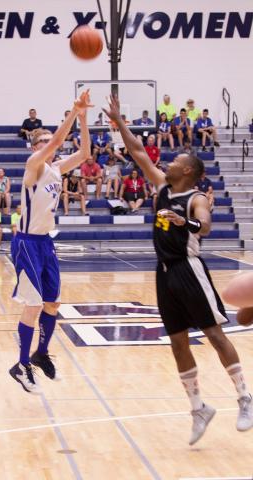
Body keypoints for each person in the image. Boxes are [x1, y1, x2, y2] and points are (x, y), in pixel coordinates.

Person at [103, 94, 253, 445]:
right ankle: (199, 407)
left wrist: (182, 221)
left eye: (175, 160)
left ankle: (245, 397)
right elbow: (139, 152)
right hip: (164, 272)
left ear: (187, 170)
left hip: (190, 269)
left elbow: (205, 226)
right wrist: (119, 121)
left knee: (215, 335)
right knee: (177, 343)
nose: (167, 162)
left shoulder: (195, 197)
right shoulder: (162, 187)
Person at [9, 90, 92, 394]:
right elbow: (58, 141)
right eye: (42, 142)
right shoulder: (33, 165)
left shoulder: (57, 168)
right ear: (35, 147)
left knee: (53, 303)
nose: (49, 145)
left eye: (49, 142)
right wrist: (74, 109)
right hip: (27, 243)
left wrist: (83, 118)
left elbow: (84, 153)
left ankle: (40, 353)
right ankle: (21, 366)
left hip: (45, 242)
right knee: (33, 305)